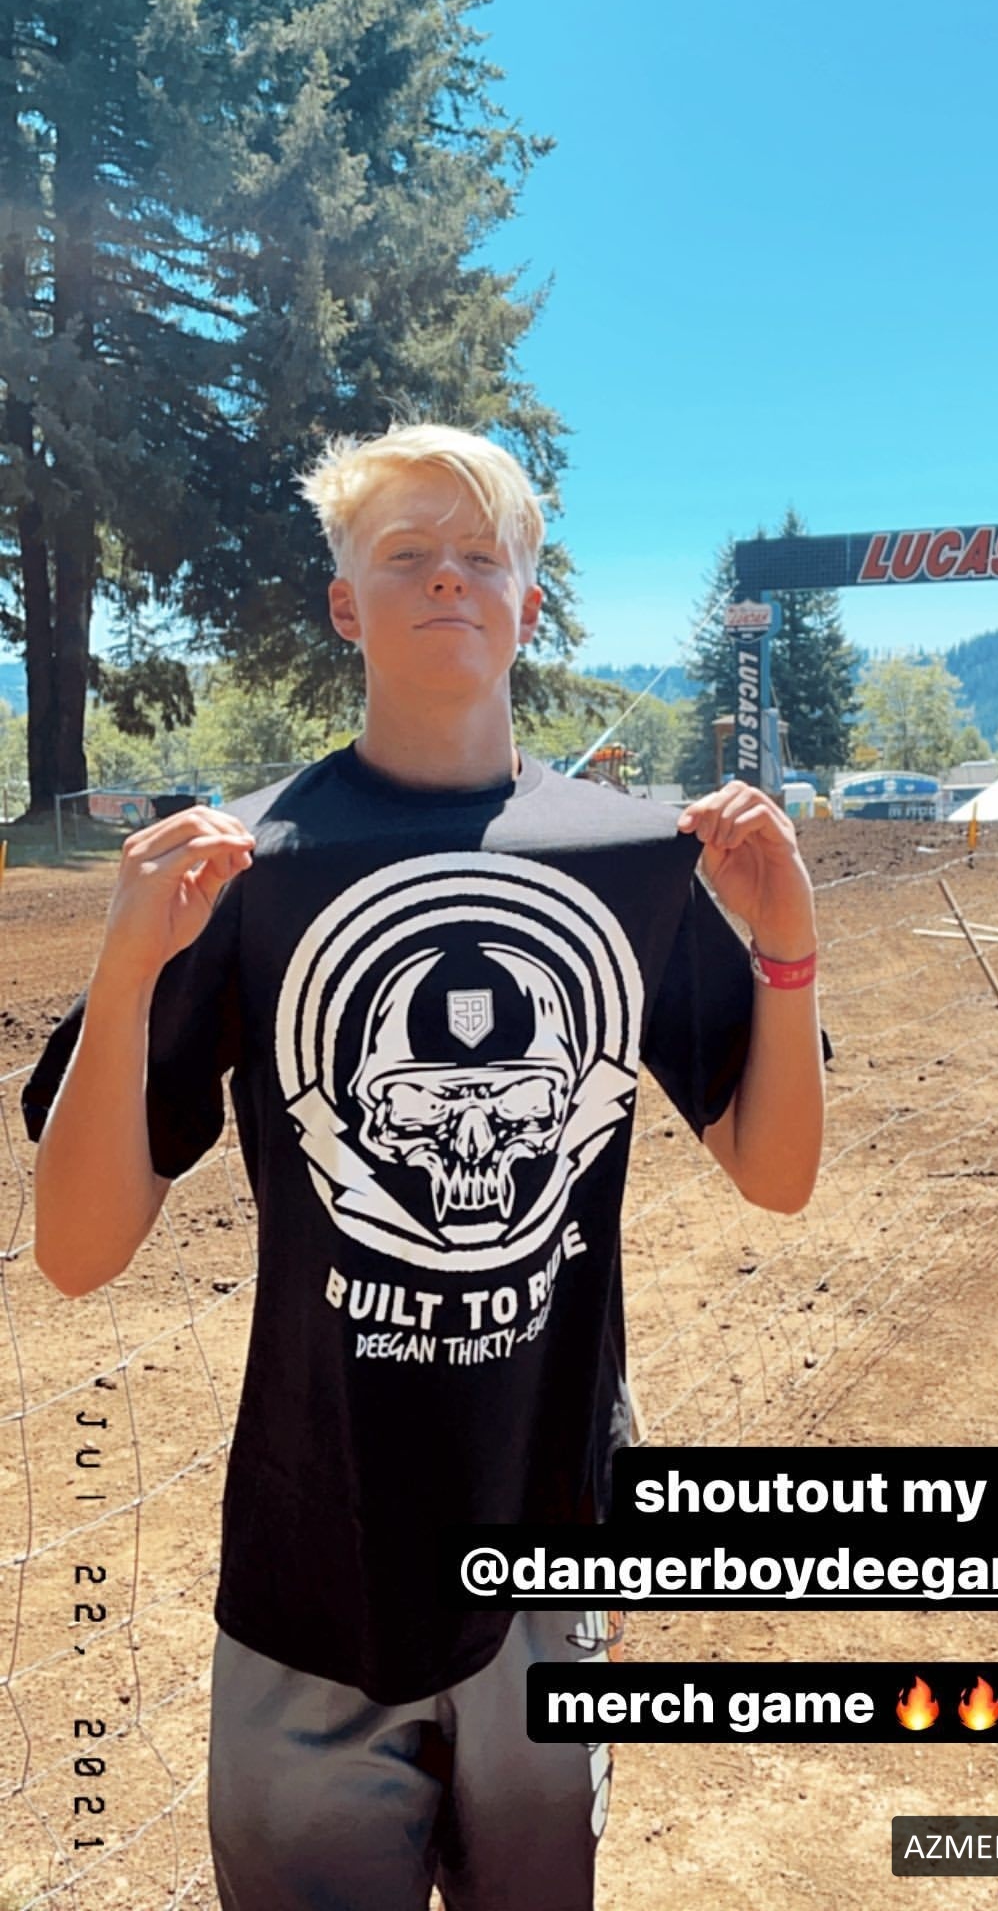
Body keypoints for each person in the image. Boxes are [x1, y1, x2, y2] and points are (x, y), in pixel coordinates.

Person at [24, 423, 825, 1911]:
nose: (446, 579)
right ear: (346, 604)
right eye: (405, 555)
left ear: (530, 602)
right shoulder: (242, 868)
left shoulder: (629, 859)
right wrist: (127, 976)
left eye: (479, 555)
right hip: (309, 1564)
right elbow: (76, 1254)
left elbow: (775, 1175)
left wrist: (786, 954)